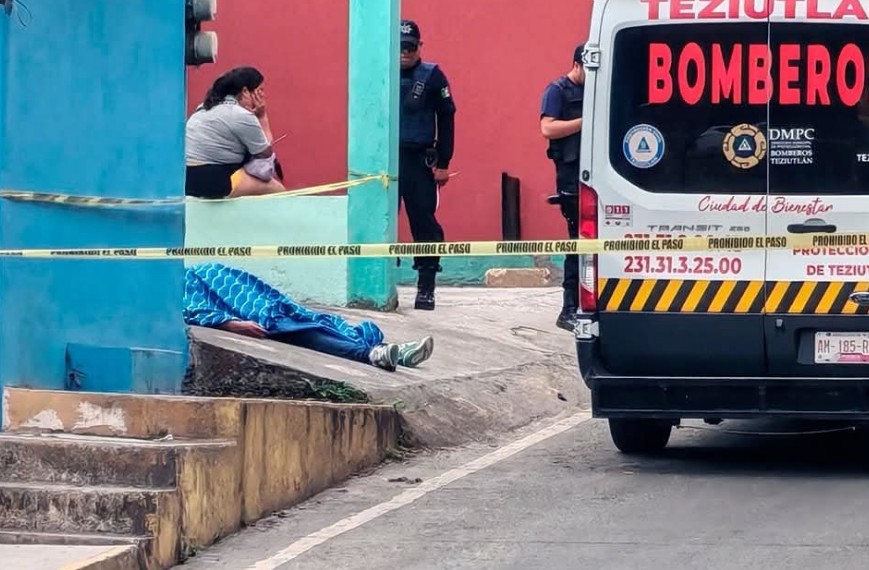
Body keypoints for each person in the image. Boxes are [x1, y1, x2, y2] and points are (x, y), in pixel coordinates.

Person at [184, 263, 435, 372]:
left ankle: (389, 352)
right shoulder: (170, 288)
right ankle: (373, 354)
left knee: (315, 321)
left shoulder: (193, 272)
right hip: (256, 312)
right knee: (303, 332)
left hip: (262, 301)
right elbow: (190, 309)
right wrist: (229, 324)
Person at [399, 20, 457, 311]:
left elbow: (447, 119)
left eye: (411, 46)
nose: (405, 52)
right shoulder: (380, 71)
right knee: (376, 221)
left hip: (418, 159)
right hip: (386, 160)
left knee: (423, 223)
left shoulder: (432, 76)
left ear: (420, 46)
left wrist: (444, 162)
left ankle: (426, 287)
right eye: (400, 47)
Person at [185, 66, 286, 199]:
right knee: (278, 190)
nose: (263, 96)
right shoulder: (241, 115)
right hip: (215, 181)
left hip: (189, 178)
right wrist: (262, 117)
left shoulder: (204, 107)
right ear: (245, 91)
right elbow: (265, 157)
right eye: (260, 91)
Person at [540, 44, 586, 332]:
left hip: (592, 174)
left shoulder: (595, 89)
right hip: (570, 176)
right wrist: (585, 122)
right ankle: (568, 307)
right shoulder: (557, 90)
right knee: (576, 244)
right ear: (577, 65)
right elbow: (548, 128)